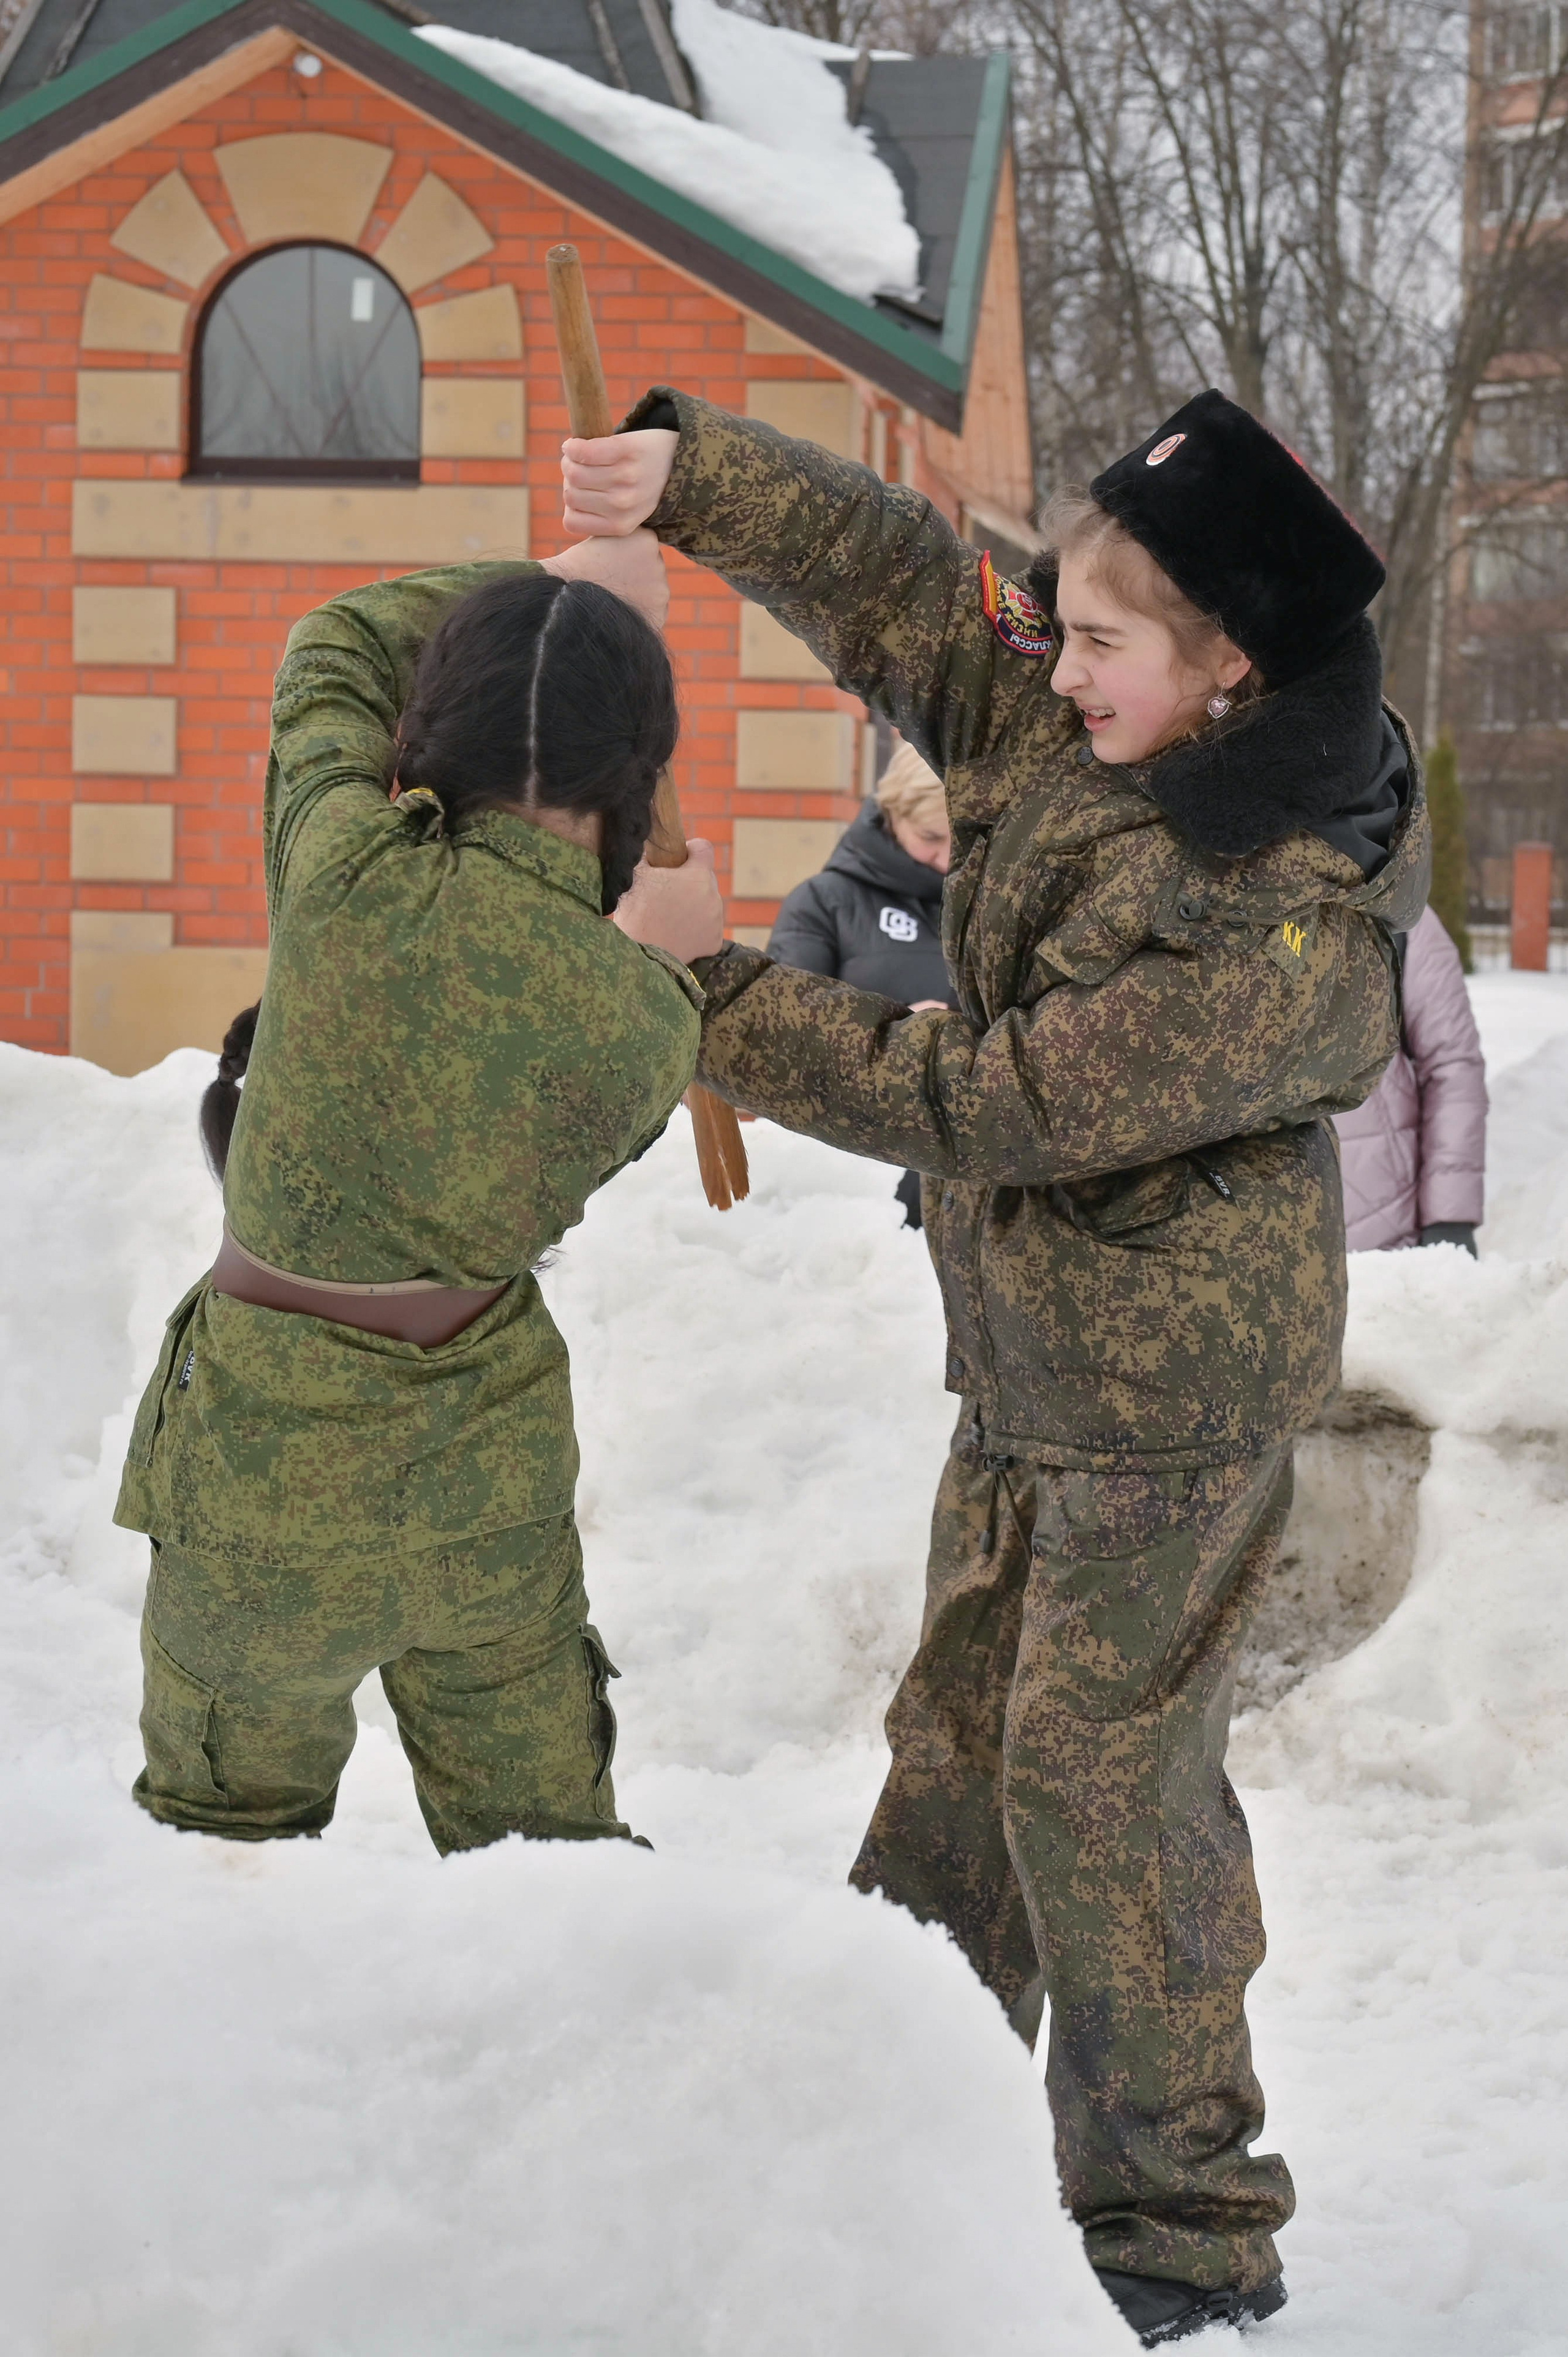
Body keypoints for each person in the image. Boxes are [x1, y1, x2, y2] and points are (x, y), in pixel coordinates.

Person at [559, 386, 1430, 2347]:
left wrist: (717, 1005)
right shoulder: (1090, 700)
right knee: (959, 1756)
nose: (1059, 659)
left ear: (1230, 671)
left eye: (1108, 638)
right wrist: (689, 479)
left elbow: (1005, 1095)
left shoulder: (1287, 915)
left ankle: (1181, 2239)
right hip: (1033, 1369)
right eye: (1067, 618)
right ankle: (897, 2145)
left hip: (1175, 1405)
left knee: (1097, 1783)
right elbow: (900, 588)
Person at [114, 538, 722, 1854]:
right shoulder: (644, 1022)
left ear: (432, 727)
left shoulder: (344, 873)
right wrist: (686, 960)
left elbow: (331, 645)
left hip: (258, 1487)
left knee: (219, 1866)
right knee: (547, 1868)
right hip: (486, 1500)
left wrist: (550, 587)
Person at [767, 739, 956, 1227]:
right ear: (893, 814)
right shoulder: (823, 904)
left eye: (964, 836)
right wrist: (899, 1033)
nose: (947, 857)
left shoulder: (994, 906)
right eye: (932, 835)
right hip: (862, 1173)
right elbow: (785, 1040)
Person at [1334, 904, 1487, 1252]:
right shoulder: (1211, 901)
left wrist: (1450, 1217)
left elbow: (1453, 1068)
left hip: (1381, 1246)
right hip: (1242, 1251)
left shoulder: (1399, 915)